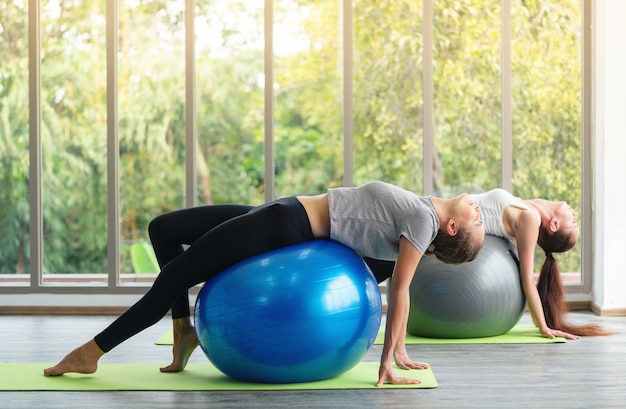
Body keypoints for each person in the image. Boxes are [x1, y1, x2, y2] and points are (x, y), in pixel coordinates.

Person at [43, 181, 485, 386]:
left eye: (477, 220)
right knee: (163, 228)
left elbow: (400, 289)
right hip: (282, 209)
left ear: (450, 229)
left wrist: (390, 358)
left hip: (285, 224)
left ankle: (91, 353)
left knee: (173, 278)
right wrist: (399, 348)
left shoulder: (423, 221)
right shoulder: (421, 215)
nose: (478, 208)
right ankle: (183, 332)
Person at [364, 188, 611, 340]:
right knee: (376, 255)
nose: (575, 214)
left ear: (554, 225)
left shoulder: (529, 220)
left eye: (573, 223)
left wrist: (544, 326)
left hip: (443, 231)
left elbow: (527, 277)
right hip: (439, 222)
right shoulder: (527, 208)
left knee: (375, 263)